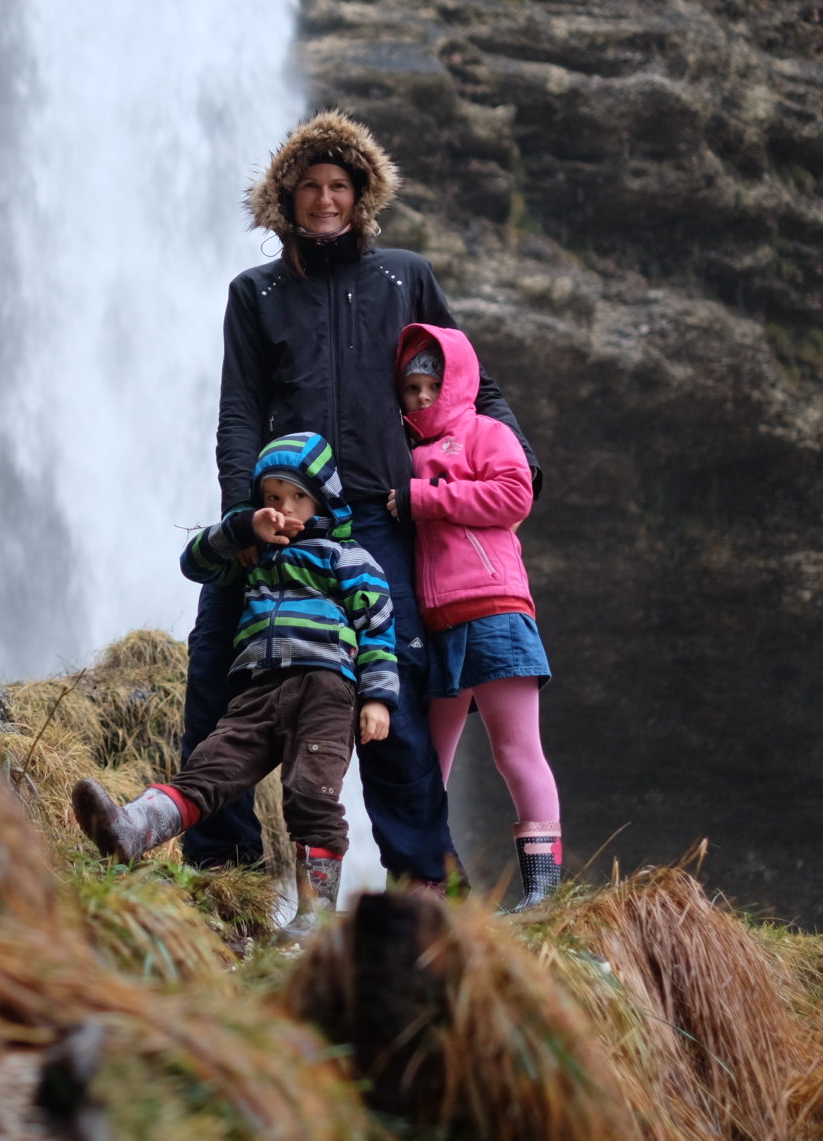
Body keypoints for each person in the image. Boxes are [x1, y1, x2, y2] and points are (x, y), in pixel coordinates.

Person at [184, 109, 541, 891]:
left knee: (399, 700)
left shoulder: (402, 277)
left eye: (338, 185)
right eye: (308, 186)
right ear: (286, 197)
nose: (323, 200)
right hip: (281, 514)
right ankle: (224, 875)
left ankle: (425, 893)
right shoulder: (257, 293)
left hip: (379, 516)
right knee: (215, 666)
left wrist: (517, 464)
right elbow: (240, 412)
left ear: (361, 193)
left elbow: (471, 382)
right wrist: (244, 521)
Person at [72, 432, 399, 922]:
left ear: (324, 499)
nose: (284, 507)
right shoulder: (255, 560)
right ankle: (131, 828)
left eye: (297, 497)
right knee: (209, 768)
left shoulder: (346, 559)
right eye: (272, 497)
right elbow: (194, 562)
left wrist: (377, 698)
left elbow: (378, 627)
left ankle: (314, 920)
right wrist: (246, 527)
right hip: (259, 689)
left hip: (325, 689)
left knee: (312, 796)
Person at [388, 326, 563, 909]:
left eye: (430, 386)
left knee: (515, 751)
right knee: (425, 764)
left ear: (455, 381)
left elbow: (516, 494)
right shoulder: (404, 454)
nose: (418, 399)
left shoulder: (487, 433)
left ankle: (542, 893)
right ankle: (429, 883)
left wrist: (426, 498)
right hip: (436, 627)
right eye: (409, 388)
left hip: (494, 611)